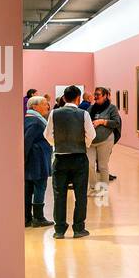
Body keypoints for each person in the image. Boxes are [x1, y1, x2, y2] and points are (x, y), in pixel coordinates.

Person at [43, 85, 95, 239]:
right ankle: (79, 228)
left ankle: (59, 230)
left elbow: (47, 135)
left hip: (60, 157)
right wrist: (82, 144)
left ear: (64, 98)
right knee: (80, 194)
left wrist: (57, 144)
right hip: (79, 158)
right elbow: (91, 134)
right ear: (78, 98)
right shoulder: (83, 114)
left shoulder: (54, 113)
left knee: (59, 194)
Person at [23, 93, 54, 228]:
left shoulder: (30, 119)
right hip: (37, 161)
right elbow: (26, 142)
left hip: (32, 160)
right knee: (40, 187)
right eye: (44, 104)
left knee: (28, 189)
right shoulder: (35, 122)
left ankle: (27, 217)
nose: (47, 106)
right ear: (35, 107)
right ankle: (38, 218)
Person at [86, 86, 121, 196]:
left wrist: (102, 121)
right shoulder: (91, 108)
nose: (95, 97)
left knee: (102, 166)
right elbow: (85, 120)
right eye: (95, 95)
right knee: (90, 165)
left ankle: (103, 189)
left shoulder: (112, 108)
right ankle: (92, 187)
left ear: (105, 96)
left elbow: (116, 122)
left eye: (98, 95)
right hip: (91, 141)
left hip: (105, 140)